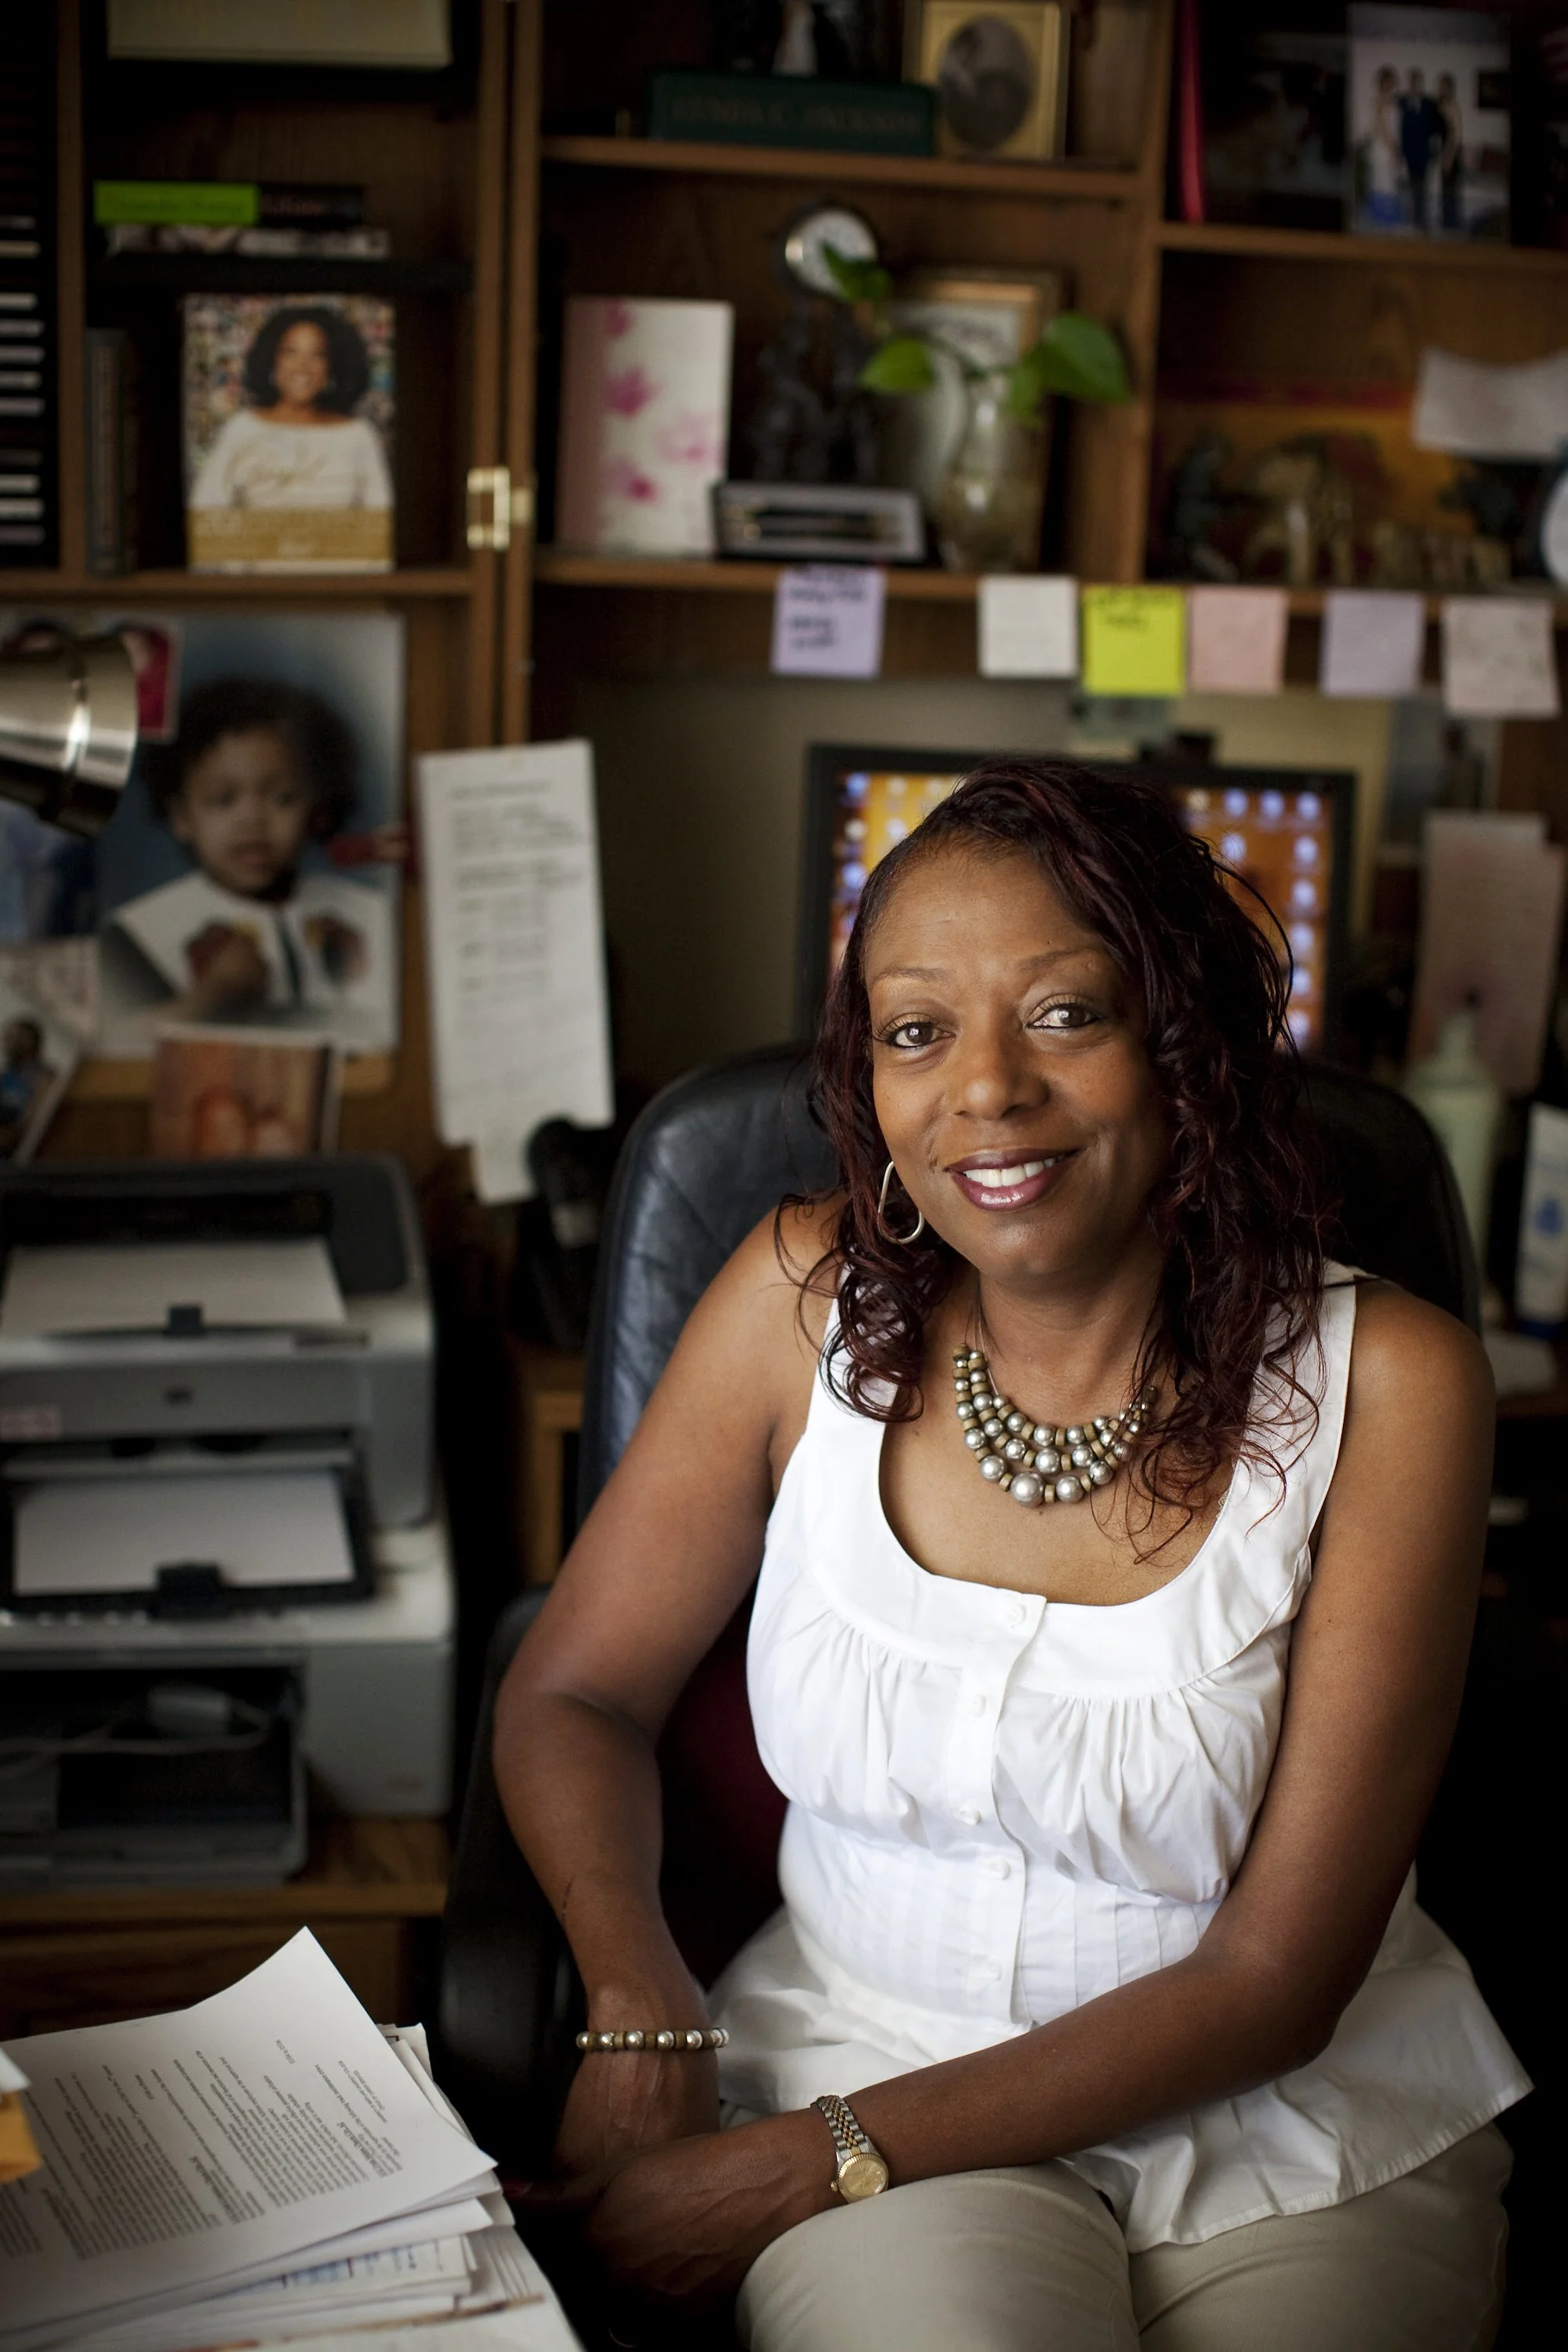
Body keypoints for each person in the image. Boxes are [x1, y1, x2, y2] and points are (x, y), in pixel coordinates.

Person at [495, 764, 1528, 2350]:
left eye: (1063, 1015)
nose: (982, 1089)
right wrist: (640, 2010)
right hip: (863, 2048)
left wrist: (806, 2167)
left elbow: (1276, 1978)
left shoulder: (1390, 1384)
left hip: (1302, 2121)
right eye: (916, 1031)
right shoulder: (795, 1300)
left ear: (1187, 1050)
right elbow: (573, 1692)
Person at [109, 677, 391, 1033]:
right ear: (182, 816)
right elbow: (115, 1051)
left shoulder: (374, 917)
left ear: (319, 810)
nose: (252, 820)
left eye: (283, 798)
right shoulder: (138, 935)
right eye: (223, 800)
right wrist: (212, 998)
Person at [189, 304, 391, 522]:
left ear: (332, 367)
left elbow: (381, 526)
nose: (302, 366)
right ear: (272, 360)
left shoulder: (358, 435)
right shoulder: (242, 428)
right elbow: (206, 515)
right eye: (290, 352)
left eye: (317, 355)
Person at [0, 1015, 56, 1156]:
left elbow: (29, 1125)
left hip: (19, 1150)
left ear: (30, 1041)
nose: (7, 1042)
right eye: (7, 1037)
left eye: (14, 1037)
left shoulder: (44, 1079)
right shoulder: (4, 1074)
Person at [1399, 67, 1443, 231]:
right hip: (1408, 154)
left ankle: (1421, 220)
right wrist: (1400, 153)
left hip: (1425, 153)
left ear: (1421, 83)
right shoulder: (1402, 102)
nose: (1414, 85)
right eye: (1411, 81)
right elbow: (1400, 130)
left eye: (1417, 81)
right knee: (1411, 187)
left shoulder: (1430, 103)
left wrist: (1437, 151)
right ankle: (1413, 218)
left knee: (1423, 188)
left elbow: (1437, 129)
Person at [1437, 71, 1466, 234]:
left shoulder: (1452, 106)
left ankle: (1451, 223)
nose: (1440, 89)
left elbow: (1455, 135)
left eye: (1443, 86)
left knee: (1450, 190)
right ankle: (1446, 221)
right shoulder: (1441, 105)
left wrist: (1449, 157)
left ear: (1449, 88)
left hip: (1452, 153)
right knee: (1445, 189)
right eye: (1440, 86)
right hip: (1444, 151)